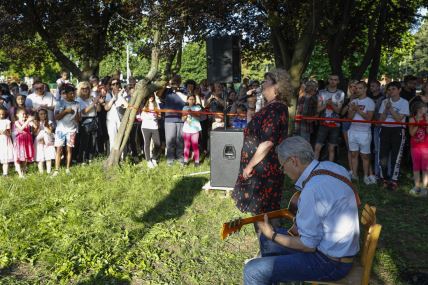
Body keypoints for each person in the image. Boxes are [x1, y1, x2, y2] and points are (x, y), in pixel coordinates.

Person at [243, 136, 360, 284]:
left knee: (253, 270)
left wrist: (272, 234)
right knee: (265, 239)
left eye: (282, 166)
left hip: (331, 263)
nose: (283, 171)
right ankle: (276, 275)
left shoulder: (312, 190)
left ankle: (270, 273)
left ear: (294, 161)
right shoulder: (332, 167)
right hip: (337, 250)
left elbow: (308, 246)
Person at [232, 68, 290, 215]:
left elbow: (268, 142)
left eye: (266, 81)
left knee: (262, 211)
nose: (262, 84)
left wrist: (250, 166)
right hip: (258, 164)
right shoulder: (269, 106)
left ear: (276, 87)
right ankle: (265, 232)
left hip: (263, 166)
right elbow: (253, 126)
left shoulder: (277, 109)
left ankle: (268, 234)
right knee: (258, 210)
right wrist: (251, 106)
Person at [378, 81, 409, 190]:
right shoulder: (384, 102)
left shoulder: (404, 102)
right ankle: (384, 178)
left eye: (393, 89)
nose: (391, 91)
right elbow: (381, 120)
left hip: (398, 130)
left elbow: (399, 120)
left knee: (396, 156)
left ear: (399, 90)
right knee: (383, 155)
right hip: (385, 129)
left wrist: (390, 109)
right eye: (389, 89)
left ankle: (394, 180)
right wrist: (386, 110)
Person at [347, 81, 376, 184]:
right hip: (353, 130)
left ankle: (366, 176)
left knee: (365, 156)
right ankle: (354, 175)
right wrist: (353, 109)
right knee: (354, 154)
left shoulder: (370, 102)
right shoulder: (353, 101)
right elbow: (349, 118)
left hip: (364, 132)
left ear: (365, 89)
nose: (357, 90)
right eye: (356, 88)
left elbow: (369, 118)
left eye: (360, 88)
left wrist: (357, 110)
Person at [314, 74, 345, 162]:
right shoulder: (322, 92)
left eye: (335, 80)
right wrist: (326, 104)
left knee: (331, 148)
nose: (333, 81)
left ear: (338, 81)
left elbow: (339, 111)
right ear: (328, 80)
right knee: (318, 146)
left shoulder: (341, 93)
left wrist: (331, 104)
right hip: (323, 123)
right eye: (331, 79)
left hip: (335, 124)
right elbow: (318, 109)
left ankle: (330, 168)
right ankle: (314, 165)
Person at [157, 75, 187, 166]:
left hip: (181, 119)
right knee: (170, 141)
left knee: (180, 141)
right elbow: (158, 95)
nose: (175, 83)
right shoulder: (167, 90)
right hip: (169, 119)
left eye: (177, 81)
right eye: (173, 82)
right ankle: (170, 160)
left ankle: (180, 159)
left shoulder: (183, 90)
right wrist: (165, 85)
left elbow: (187, 99)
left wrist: (177, 90)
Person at [52, 84, 80, 176]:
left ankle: (68, 168)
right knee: (59, 149)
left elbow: (79, 119)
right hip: (60, 130)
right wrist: (66, 111)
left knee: (69, 149)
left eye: (74, 93)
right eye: (71, 93)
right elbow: (56, 117)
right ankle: (56, 170)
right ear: (66, 94)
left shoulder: (77, 104)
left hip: (72, 130)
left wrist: (76, 116)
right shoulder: (60, 103)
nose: (73, 95)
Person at [76, 81, 100, 163]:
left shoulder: (91, 98)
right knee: (84, 141)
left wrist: (97, 103)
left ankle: (90, 158)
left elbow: (98, 110)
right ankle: (82, 159)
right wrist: (94, 103)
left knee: (93, 141)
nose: (85, 90)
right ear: (80, 90)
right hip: (84, 121)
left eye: (87, 88)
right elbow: (84, 111)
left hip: (93, 119)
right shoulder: (78, 99)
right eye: (83, 89)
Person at [408, 101, 428, 197]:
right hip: (415, 147)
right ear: (419, 109)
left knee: (425, 167)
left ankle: (424, 187)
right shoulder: (412, 119)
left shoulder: (426, 118)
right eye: (425, 107)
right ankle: (416, 186)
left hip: (425, 147)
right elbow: (412, 133)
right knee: (416, 167)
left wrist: (427, 121)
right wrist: (419, 123)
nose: (426, 109)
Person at [104, 77, 128, 151]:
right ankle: (113, 157)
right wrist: (113, 99)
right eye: (113, 84)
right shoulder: (109, 94)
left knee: (122, 137)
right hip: (111, 119)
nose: (116, 85)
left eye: (117, 83)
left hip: (121, 119)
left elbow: (127, 106)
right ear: (111, 86)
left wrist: (120, 96)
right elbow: (106, 108)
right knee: (113, 138)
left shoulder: (124, 93)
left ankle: (123, 157)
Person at [13, 108, 36, 178]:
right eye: (22, 114)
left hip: (27, 142)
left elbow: (35, 127)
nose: (24, 115)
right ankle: (19, 173)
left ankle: (23, 172)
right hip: (20, 142)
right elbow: (21, 129)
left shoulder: (28, 122)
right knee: (18, 157)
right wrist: (28, 121)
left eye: (25, 114)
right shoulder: (16, 122)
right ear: (17, 115)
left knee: (25, 157)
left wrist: (33, 120)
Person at [140, 93, 161, 169]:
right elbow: (141, 116)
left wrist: (157, 116)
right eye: (149, 96)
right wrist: (147, 115)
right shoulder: (143, 105)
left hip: (154, 127)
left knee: (158, 144)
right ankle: (148, 160)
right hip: (145, 127)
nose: (151, 97)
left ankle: (154, 158)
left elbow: (159, 116)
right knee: (147, 143)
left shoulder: (156, 105)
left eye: (152, 96)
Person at [182, 94, 202, 167]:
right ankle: (185, 161)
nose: (191, 100)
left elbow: (199, 116)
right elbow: (183, 119)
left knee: (195, 145)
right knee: (187, 145)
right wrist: (186, 115)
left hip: (195, 129)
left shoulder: (198, 107)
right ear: (187, 100)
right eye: (190, 99)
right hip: (186, 129)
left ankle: (197, 161)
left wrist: (191, 112)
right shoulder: (184, 107)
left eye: (193, 99)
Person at [34, 108, 55, 174]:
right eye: (41, 114)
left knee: (48, 155)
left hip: (48, 140)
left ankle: (49, 171)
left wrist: (46, 128)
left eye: (45, 114)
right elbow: (34, 134)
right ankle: (41, 172)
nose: (43, 115)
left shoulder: (49, 122)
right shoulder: (36, 122)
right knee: (40, 156)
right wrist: (39, 127)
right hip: (39, 141)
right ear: (38, 115)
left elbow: (50, 131)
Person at [0, 107, 14, 176]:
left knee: (5, 156)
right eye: (0, 114)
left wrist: (6, 132)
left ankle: (5, 173)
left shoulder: (7, 121)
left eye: (3, 114)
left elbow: (9, 133)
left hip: (5, 140)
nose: (1, 116)